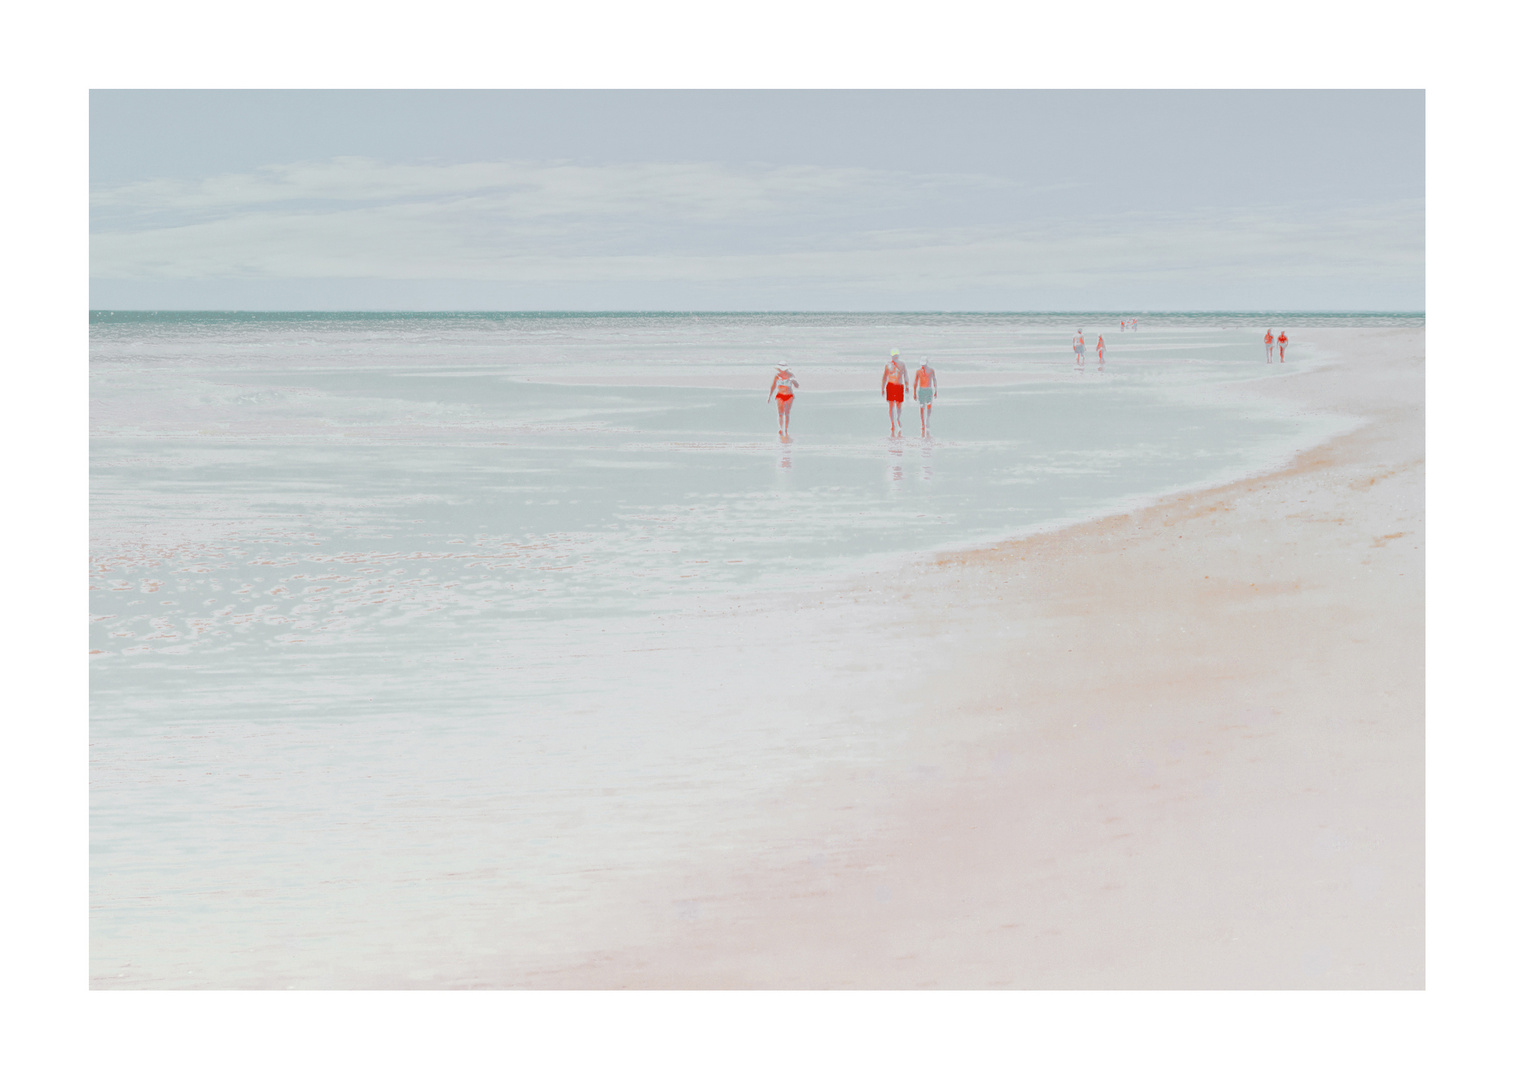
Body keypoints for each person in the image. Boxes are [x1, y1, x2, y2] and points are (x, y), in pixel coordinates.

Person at [881, 348, 908, 435]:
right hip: (891, 386)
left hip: (899, 385)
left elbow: (905, 375)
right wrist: (882, 388)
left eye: (896, 356)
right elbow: (884, 377)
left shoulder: (902, 364)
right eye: (893, 356)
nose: (895, 357)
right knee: (891, 405)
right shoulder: (888, 365)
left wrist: (907, 385)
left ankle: (898, 418)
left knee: (899, 405)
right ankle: (892, 423)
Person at [768, 364, 798, 438]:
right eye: (780, 369)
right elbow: (773, 386)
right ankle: (781, 428)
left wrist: (793, 381)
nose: (781, 371)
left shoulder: (791, 375)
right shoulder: (777, 376)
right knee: (780, 413)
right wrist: (770, 396)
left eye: (782, 369)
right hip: (780, 395)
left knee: (787, 413)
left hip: (789, 395)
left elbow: (796, 386)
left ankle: (786, 429)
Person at [913, 357, 938, 436]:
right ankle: (922, 423)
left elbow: (934, 380)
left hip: (928, 389)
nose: (923, 366)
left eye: (924, 365)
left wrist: (935, 390)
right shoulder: (918, 371)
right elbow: (916, 382)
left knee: (929, 406)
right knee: (921, 406)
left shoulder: (931, 370)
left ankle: (927, 419)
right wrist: (914, 392)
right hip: (921, 390)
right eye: (922, 365)